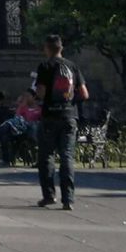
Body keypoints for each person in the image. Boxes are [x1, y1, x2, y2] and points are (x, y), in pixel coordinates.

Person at [32, 33, 84, 210]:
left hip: (50, 116)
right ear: (61, 48)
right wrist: (69, 101)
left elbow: (41, 92)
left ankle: (49, 196)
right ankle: (68, 199)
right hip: (69, 116)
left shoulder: (45, 66)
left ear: (47, 48)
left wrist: (39, 98)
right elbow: (84, 93)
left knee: (46, 156)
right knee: (67, 156)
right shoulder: (73, 66)